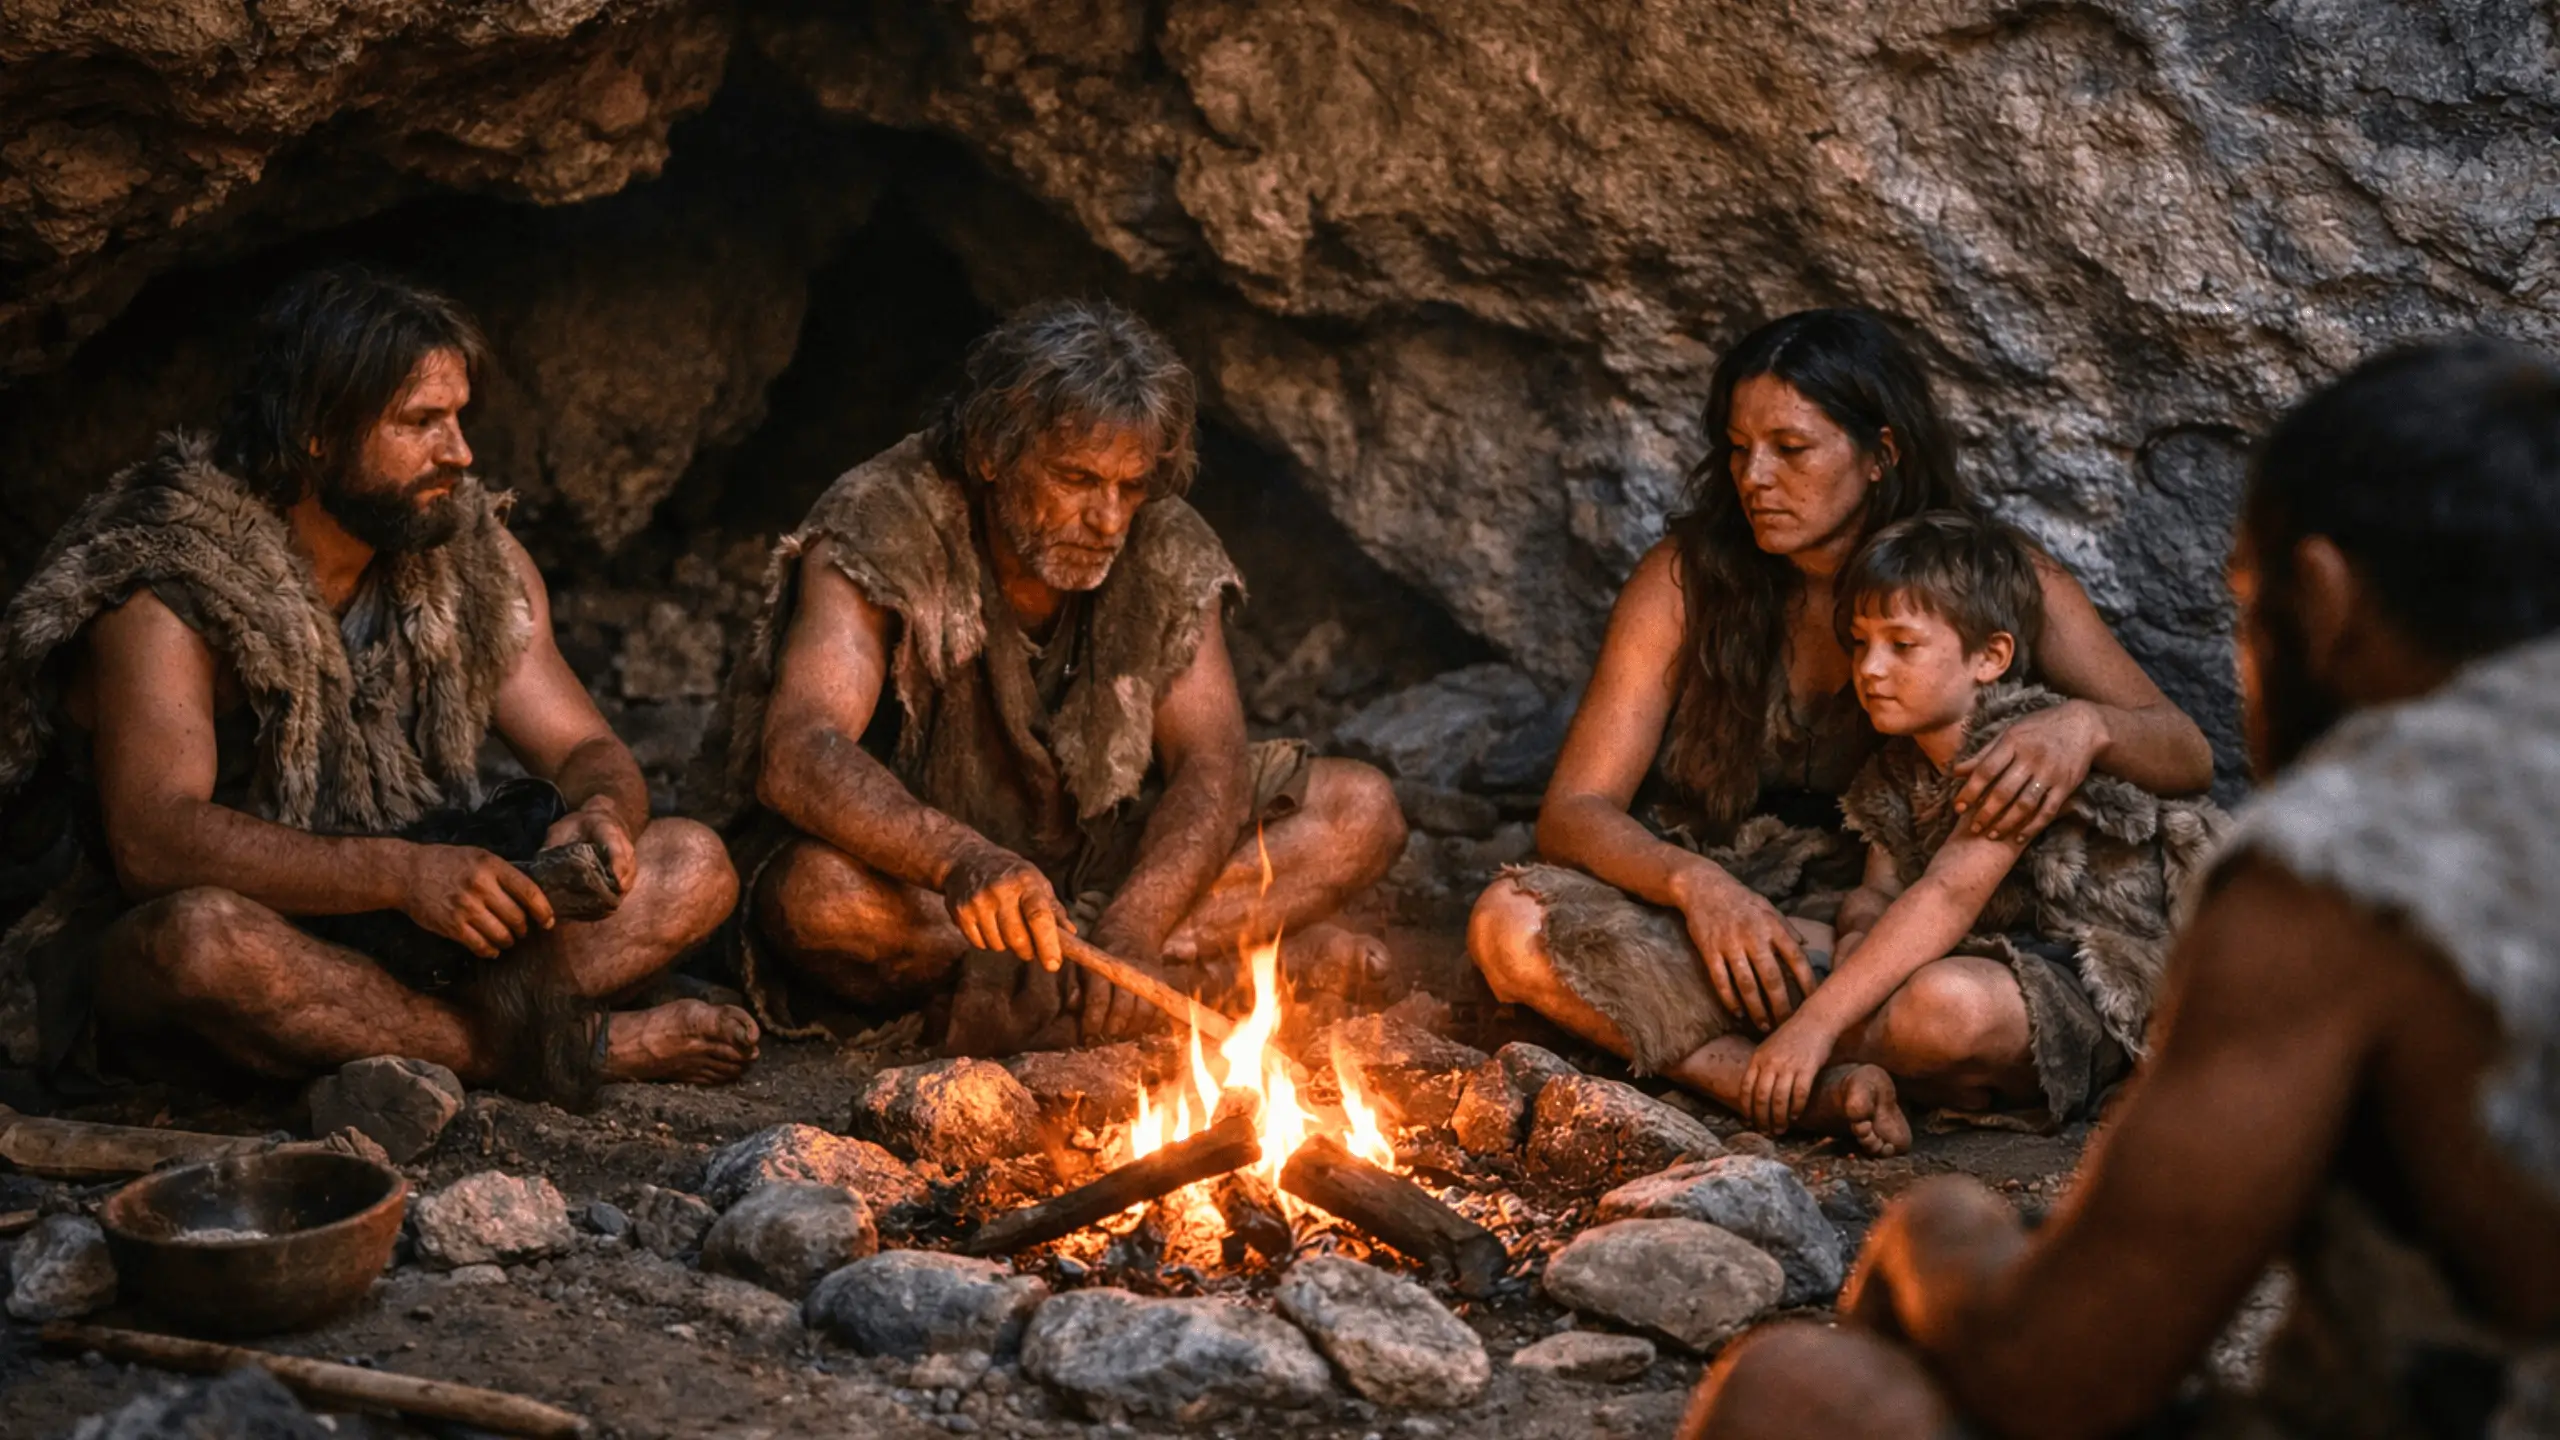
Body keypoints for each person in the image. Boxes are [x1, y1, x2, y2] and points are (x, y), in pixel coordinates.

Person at [1684, 337, 2560, 1440]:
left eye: (2245, 614)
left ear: (2323, 600)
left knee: (1793, 1390)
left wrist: (1931, 1234)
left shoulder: (2347, 869)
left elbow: (2061, 1377)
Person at [0, 267, 756, 1106]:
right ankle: (575, 1046)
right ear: (318, 433)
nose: (460, 453)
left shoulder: (467, 554)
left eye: (459, 417)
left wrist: (604, 813)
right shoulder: (169, 584)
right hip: (248, 924)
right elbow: (154, 844)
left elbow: (583, 747)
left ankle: (396, 1030)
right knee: (201, 944)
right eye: (421, 422)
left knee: (693, 864)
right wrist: (402, 876)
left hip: (418, 931)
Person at [1470, 308, 2212, 1153]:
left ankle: (1753, 1047)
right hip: (1772, 920)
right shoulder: (1687, 579)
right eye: (1738, 447)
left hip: (1952, 942)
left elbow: (2186, 751)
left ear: (1880, 455)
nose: (1755, 476)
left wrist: (2086, 727)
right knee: (1510, 923)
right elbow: (1574, 810)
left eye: (1791, 449)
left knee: (1957, 1014)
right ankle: (1787, 1089)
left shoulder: (1986, 578)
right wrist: (1695, 886)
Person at [720, 299, 1406, 1052]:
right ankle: (1199, 986)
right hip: (932, 876)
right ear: (991, 453)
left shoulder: (1162, 540)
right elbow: (798, 752)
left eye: (1131, 486)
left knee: (1357, 812)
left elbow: (1210, 763)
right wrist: (962, 858)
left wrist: (1135, 926)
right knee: (822, 900)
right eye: (1075, 478)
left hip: (1095, 871)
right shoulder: (879, 522)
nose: (1108, 519)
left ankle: (1082, 982)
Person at [1685, 511, 2225, 1155]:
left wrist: (1818, 1021)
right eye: (1859, 643)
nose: (1871, 669)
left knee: (1943, 1007)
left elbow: (1946, 895)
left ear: (1990, 657)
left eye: (1901, 645)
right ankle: (1870, 1067)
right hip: (1971, 951)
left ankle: (1752, 1053)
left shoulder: (2017, 746)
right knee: (1753, 947)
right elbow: (1879, 892)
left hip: (2093, 977)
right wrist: (1858, 934)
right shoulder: (1895, 766)